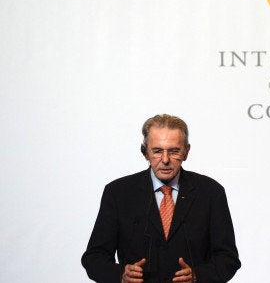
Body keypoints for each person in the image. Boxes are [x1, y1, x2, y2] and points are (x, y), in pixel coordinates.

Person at [82, 114, 241, 282]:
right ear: (145, 152)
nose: (165, 160)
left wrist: (198, 277)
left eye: (174, 151)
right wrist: (121, 275)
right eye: (157, 151)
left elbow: (228, 259)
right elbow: (94, 258)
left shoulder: (211, 192)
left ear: (186, 152)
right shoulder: (118, 193)